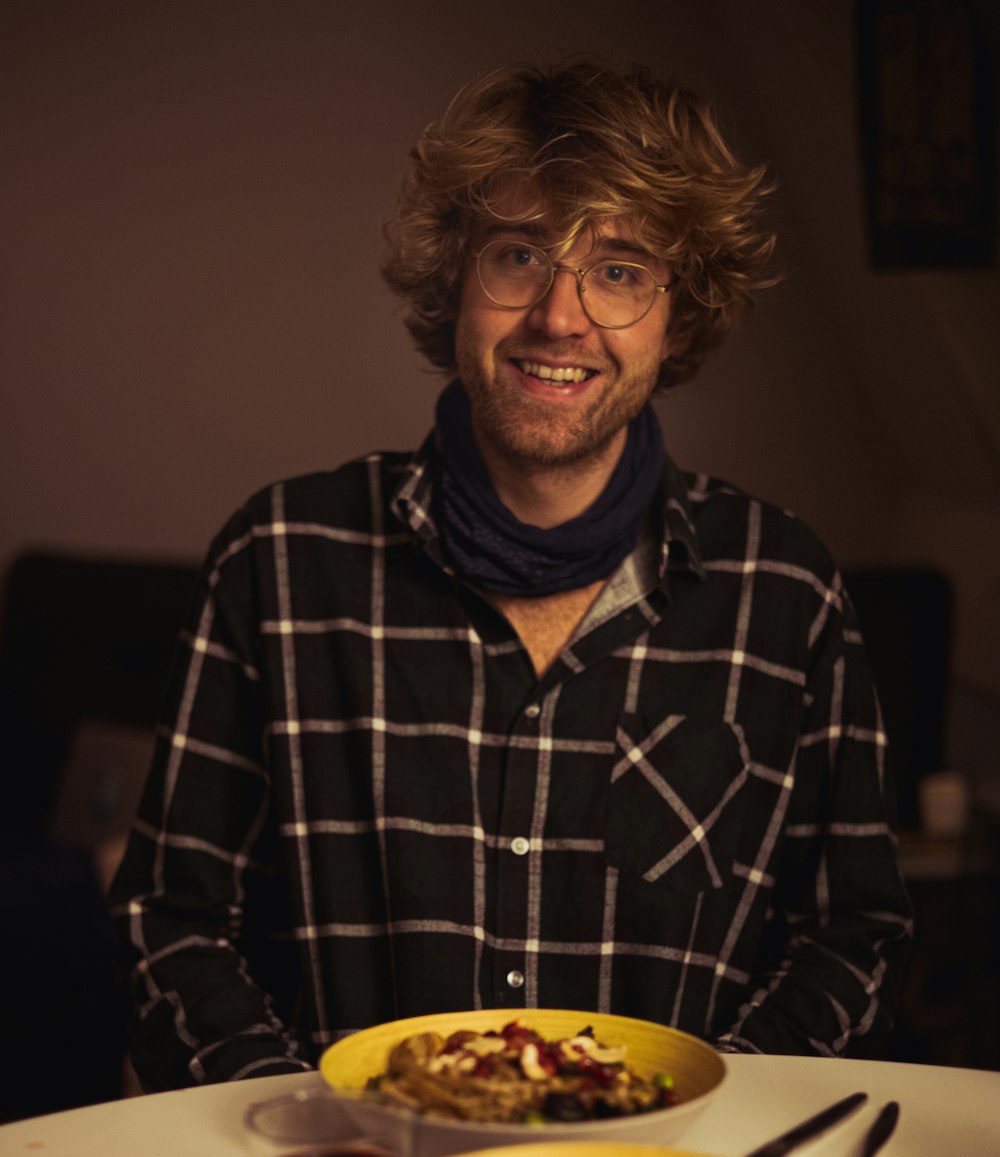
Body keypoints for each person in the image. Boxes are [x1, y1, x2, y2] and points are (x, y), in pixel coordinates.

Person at [110, 60, 912, 1091]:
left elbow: (853, 935)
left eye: (619, 271)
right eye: (520, 256)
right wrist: (311, 1125)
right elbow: (168, 923)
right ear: (455, 284)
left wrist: (700, 1122)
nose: (561, 317)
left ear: (678, 319)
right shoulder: (277, 562)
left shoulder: (784, 590)